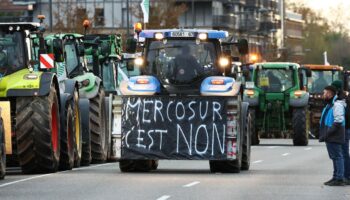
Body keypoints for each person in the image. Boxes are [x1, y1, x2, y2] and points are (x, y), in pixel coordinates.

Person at [319, 85, 346, 186]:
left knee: (337, 156)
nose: (323, 95)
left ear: (330, 94)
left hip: (334, 134)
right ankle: (335, 177)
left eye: (325, 93)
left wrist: (328, 132)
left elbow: (339, 120)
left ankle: (339, 178)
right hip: (331, 133)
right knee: (334, 156)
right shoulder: (330, 104)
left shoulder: (337, 105)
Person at [331, 80, 350, 185]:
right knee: (343, 152)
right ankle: (342, 175)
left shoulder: (342, 99)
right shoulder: (343, 98)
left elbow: (344, 116)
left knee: (343, 152)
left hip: (344, 128)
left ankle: (346, 176)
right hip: (344, 127)